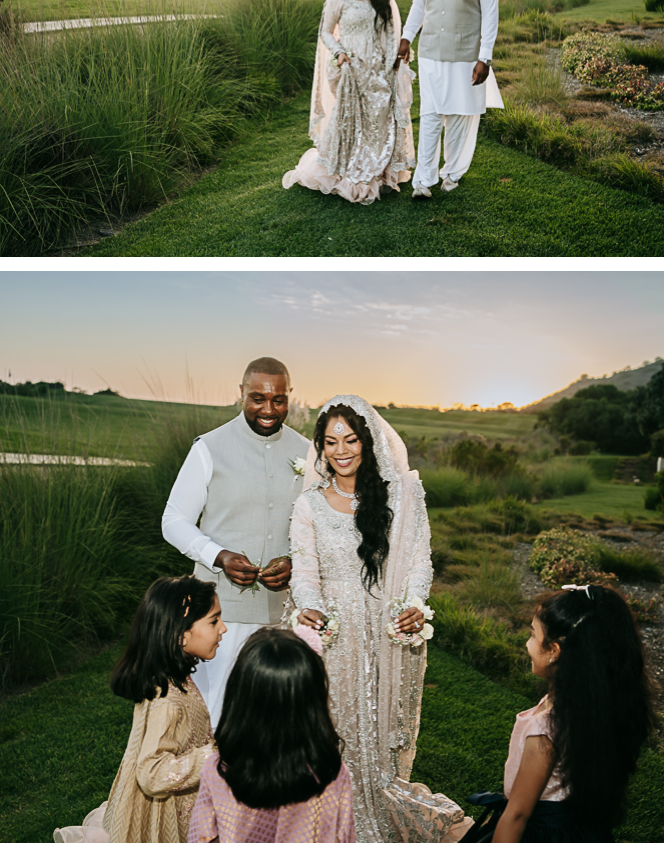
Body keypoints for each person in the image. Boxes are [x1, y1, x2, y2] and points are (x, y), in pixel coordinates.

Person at [289, 396, 467, 842]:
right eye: (330, 441)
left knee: (377, 726)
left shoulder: (400, 499)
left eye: (350, 439)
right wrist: (312, 609)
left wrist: (412, 604)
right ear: (320, 447)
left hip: (383, 630)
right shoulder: (308, 505)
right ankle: (328, 818)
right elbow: (304, 572)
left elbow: (419, 561)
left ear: (368, 442)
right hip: (332, 635)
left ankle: (373, 803)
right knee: (330, 727)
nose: (340, 450)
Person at [162, 357, 310, 727]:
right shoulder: (208, 448)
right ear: (241, 393)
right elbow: (173, 520)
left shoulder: (310, 453)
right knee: (216, 717)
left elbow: (317, 527)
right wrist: (219, 556)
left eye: (278, 400)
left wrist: (296, 560)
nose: (268, 409)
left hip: (285, 614)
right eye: (257, 398)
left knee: (275, 720)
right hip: (218, 616)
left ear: (289, 397)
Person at [464, 584, 657, 843]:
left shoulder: (545, 729)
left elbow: (518, 814)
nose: (527, 643)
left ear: (554, 651)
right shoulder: (595, 708)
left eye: (533, 635)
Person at [53, 576, 224, 843]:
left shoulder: (176, 679)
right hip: (163, 817)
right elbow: (152, 773)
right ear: (180, 634)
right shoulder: (166, 700)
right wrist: (214, 754)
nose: (223, 628)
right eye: (214, 621)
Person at [187, 627, 356, 842]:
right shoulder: (331, 773)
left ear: (240, 696)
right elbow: (345, 838)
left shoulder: (218, 771)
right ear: (313, 701)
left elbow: (201, 838)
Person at [282, 0, 416, 204]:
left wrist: (393, 60)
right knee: (351, 120)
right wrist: (338, 52)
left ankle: (378, 170)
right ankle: (351, 167)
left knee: (379, 120)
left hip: (378, 70)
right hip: (351, 69)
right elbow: (325, 32)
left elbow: (390, 32)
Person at [396, 0, 504, 198]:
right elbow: (419, 6)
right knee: (430, 115)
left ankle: (452, 173)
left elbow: (491, 14)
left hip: (466, 56)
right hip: (432, 53)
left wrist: (485, 58)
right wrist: (407, 37)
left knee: (459, 117)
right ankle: (423, 180)